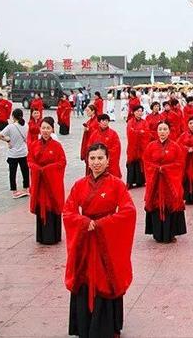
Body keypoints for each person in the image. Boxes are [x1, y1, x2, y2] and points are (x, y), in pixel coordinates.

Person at [64, 142, 136, 338]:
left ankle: (107, 326)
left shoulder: (117, 184)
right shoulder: (79, 185)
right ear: (88, 160)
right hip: (85, 240)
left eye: (100, 158)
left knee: (106, 278)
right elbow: (68, 211)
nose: (96, 162)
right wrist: (83, 221)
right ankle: (84, 325)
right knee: (83, 277)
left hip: (106, 240)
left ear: (108, 160)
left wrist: (103, 224)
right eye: (93, 158)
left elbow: (129, 211)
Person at [143, 121, 187, 243]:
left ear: (169, 131)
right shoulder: (151, 146)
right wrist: (156, 169)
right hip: (155, 183)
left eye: (164, 129)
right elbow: (146, 162)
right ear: (157, 131)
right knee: (155, 203)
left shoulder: (175, 146)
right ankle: (157, 233)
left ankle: (171, 233)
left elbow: (179, 164)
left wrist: (166, 169)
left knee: (171, 203)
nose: (162, 132)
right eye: (160, 129)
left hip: (170, 182)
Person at [27, 117, 66, 244]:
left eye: (48, 128)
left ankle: (53, 236)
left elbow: (62, 162)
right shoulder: (34, 145)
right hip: (40, 183)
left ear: (52, 130)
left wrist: (47, 169)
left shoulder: (57, 146)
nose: (45, 131)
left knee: (52, 205)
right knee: (41, 205)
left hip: (52, 182)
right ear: (40, 129)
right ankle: (42, 236)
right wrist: (37, 169)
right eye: (43, 128)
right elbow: (30, 160)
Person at [0, 108, 30, 198]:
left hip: (13, 154)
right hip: (24, 152)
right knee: (25, 171)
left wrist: (8, 140)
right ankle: (26, 188)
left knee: (12, 173)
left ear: (13, 117)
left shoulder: (11, 126)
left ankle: (14, 191)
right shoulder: (26, 125)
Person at [87, 114, 122, 178]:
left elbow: (116, 148)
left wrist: (105, 156)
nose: (105, 122)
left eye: (107, 121)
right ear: (99, 122)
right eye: (103, 120)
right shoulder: (94, 134)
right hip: (97, 161)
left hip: (109, 162)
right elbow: (89, 147)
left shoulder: (113, 134)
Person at [126, 105, 149, 188]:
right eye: (137, 111)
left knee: (141, 163)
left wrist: (136, 132)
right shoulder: (130, 122)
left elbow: (146, 133)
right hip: (133, 146)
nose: (139, 113)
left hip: (142, 146)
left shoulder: (145, 122)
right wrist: (140, 132)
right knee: (131, 163)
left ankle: (140, 181)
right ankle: (130, 182)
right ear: (134, 112)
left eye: (140, 111)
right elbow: (130, 132)